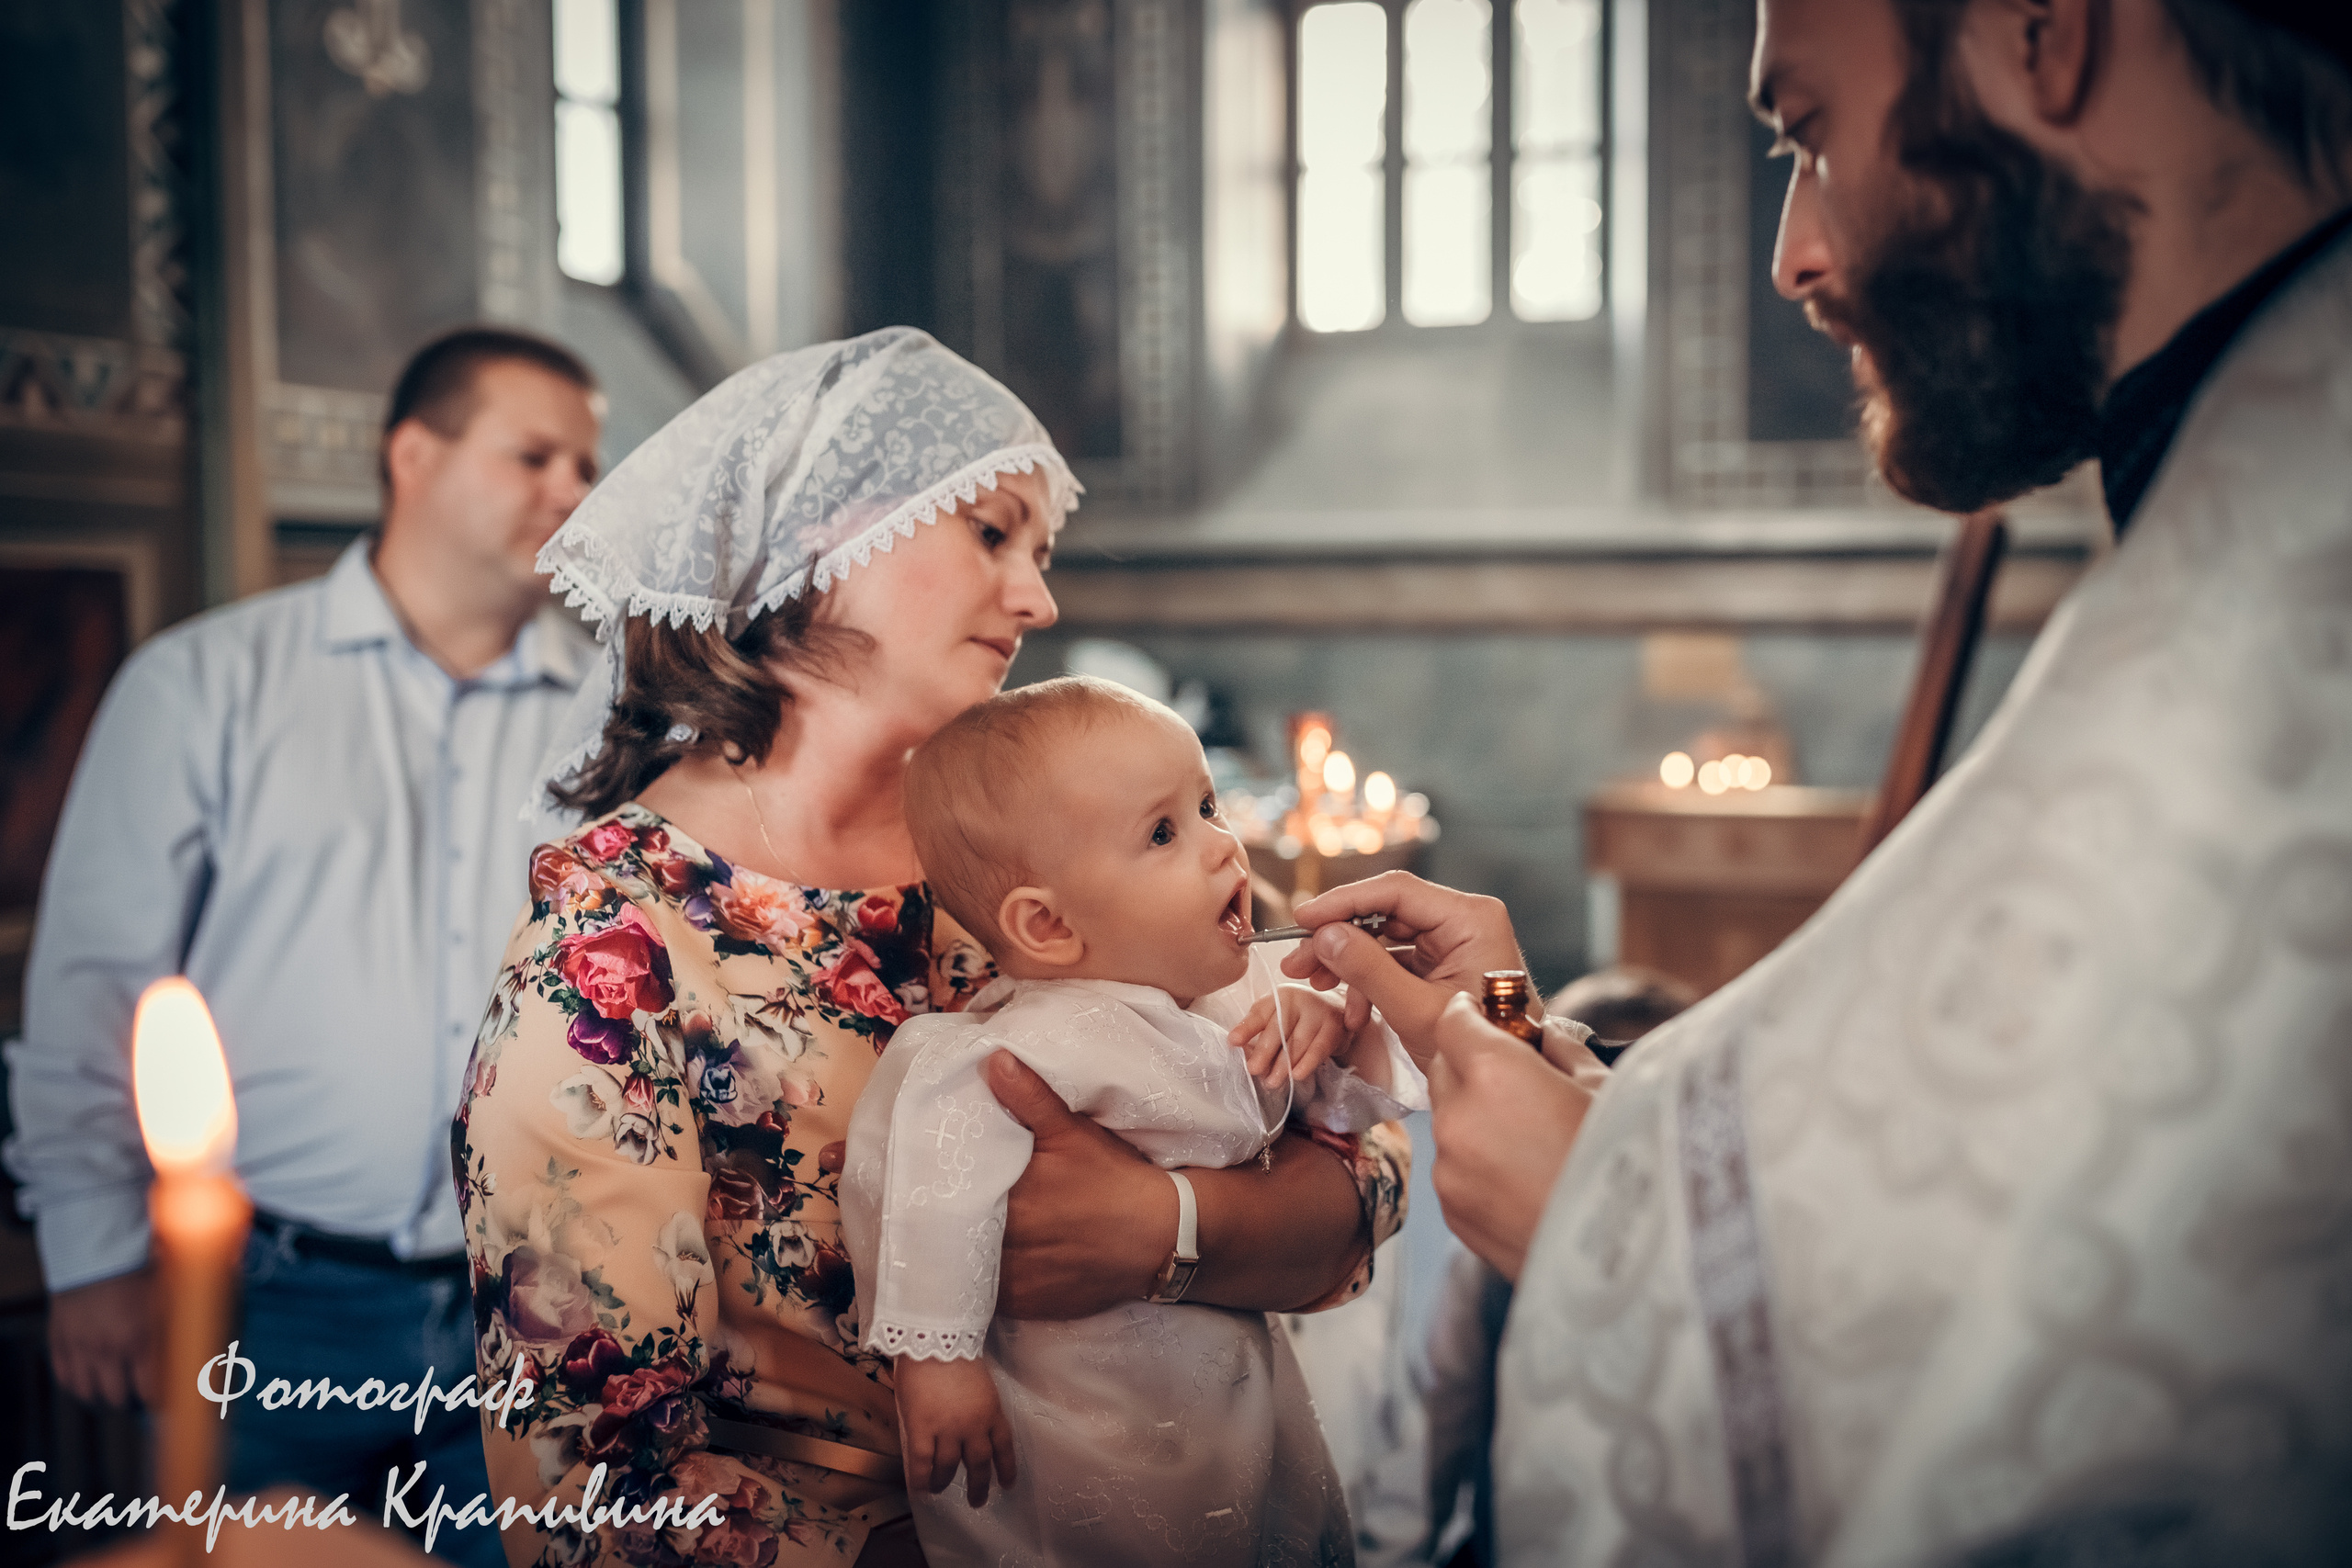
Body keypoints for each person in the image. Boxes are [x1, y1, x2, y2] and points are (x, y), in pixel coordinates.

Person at [1278, 0, 2352, 1562]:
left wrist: (1606, 1222)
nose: (1793, 253)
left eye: (1812, 135)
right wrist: (1604, 1087)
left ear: (2044, 35)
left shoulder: (2276, 614)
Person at [453, 327, 1410, 1566]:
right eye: (993, 534)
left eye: (1042, 551)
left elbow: (1356, 1175)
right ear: (823, 534)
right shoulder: (615, 953)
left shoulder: (1027, 857)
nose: (1040, 597)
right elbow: (592, 1482)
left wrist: (1172, 1222)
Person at [6, 326, 605, 1564]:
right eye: (536, 454)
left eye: (587, 464)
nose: (573, 492)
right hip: (273, 1299)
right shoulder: (209, 680)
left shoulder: (610, 719)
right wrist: (93, 1252)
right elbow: (95, 981)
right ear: (414, 455)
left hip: (536, 1298)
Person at [840, 676, 1424, 1565]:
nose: (1221, 847)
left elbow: (1346, 1121)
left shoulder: (1240, 989)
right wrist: (938, 1355)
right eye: (1162, 833)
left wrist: (1328, 1042)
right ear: (1048, 925)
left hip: (1224, 1379)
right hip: (1077, 1405)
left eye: (1205, 805)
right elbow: (935, 1172)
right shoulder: (1030, 1041)